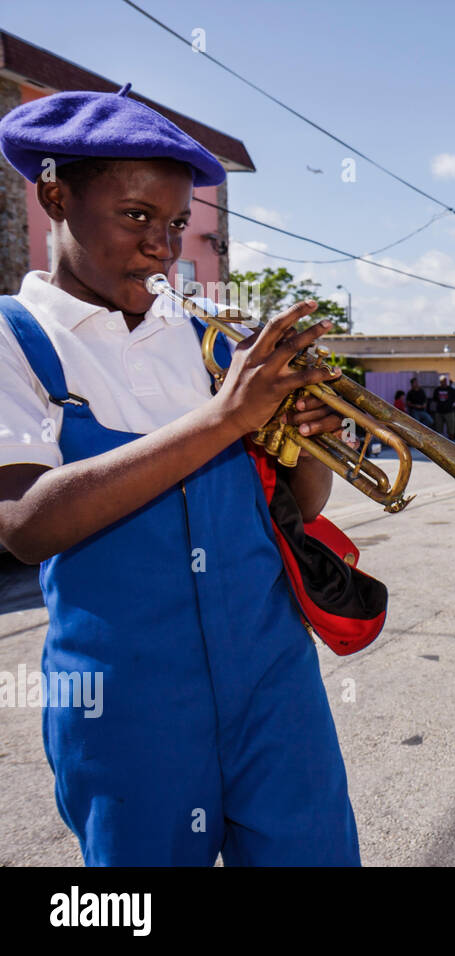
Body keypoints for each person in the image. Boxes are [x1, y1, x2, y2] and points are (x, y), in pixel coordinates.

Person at [0, 86, 359, 865]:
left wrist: (307, 442)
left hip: (274, 681)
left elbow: (297, 507)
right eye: (135, 217)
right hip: (125, 704)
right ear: (55, 197)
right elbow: (26, 523)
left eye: (173, 224)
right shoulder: (13, 338)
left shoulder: (209, 340)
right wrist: (226, 419)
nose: (161, 247)